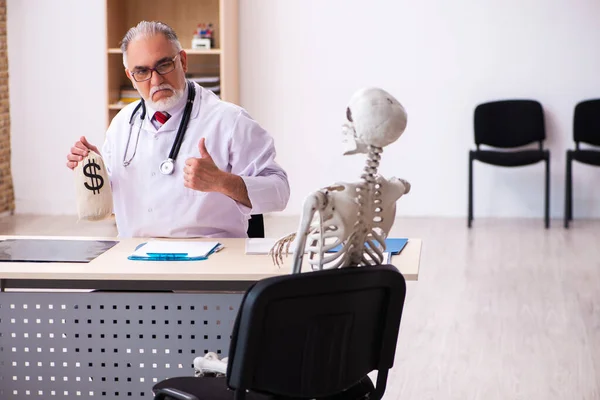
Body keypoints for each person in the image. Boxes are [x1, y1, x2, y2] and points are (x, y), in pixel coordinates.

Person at [66, 21, 290, 238]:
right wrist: (95, 170)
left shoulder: (229, 121)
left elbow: (280, 192)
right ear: (130, 77)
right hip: (135, 258)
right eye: (142, 71)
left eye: (164, 65)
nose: (155, 80)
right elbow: (117, 199)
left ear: (182, 61)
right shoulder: (122, 124)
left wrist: (223, 182)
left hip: (212, 259)